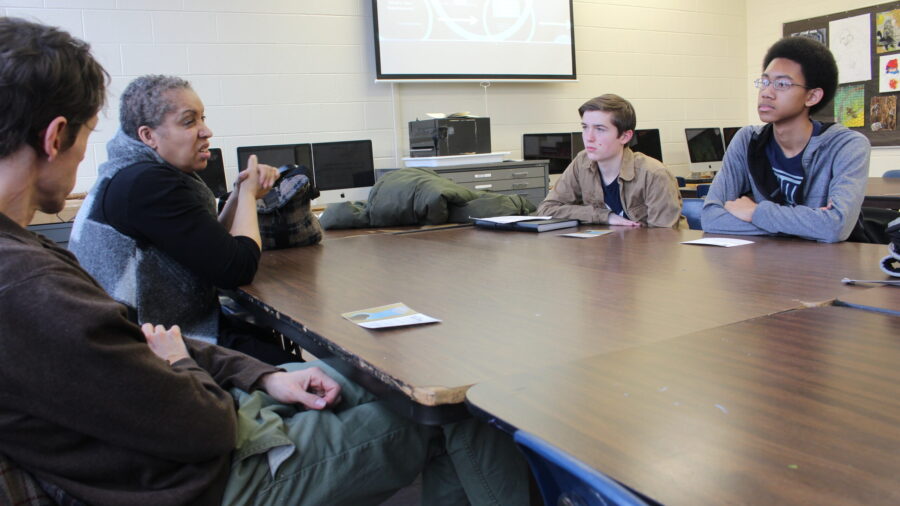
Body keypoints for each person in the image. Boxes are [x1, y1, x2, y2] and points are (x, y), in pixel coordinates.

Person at [0, 18, 527, 506]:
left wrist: (261, 377)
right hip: (200, 474)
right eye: (89, 134)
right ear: (54, 136)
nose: (205, 131)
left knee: (380, 380)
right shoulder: (30, 282)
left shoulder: (32, 255)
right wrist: (183, 362)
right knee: (458, 413)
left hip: (184, 427)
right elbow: (203, 420)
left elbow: (145, 347)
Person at [70, 75, 294, 364]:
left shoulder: (129, 171)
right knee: (303, 370)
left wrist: (239, 193)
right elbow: (237, 268)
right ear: (148, 136)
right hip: (150, 347)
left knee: (266, 342)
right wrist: (250, 196)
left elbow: (213, 247)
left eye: (202, 119)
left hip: (144, 332)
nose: (206, 131)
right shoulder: (148, 184)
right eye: (189, 122)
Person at [700, 37, 870, 242]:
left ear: (812, 96)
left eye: (782, 84)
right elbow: (711, 218)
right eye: (764, 82)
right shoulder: (748, 140)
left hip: (834, 266)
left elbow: (835, 227)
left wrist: (756, 212)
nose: (766, 93)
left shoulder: (847, 146)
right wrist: (809, 227)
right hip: (770, 263)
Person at [536, 94, 683, 228]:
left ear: (625, 137)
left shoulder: (654, 174)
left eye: (600, 129)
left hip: (644, 254)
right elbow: (546, 209)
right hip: (602, 251)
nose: (589, 137)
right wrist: (605, 217)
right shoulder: (582, 161)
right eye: (585, 127)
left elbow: (663, 240)